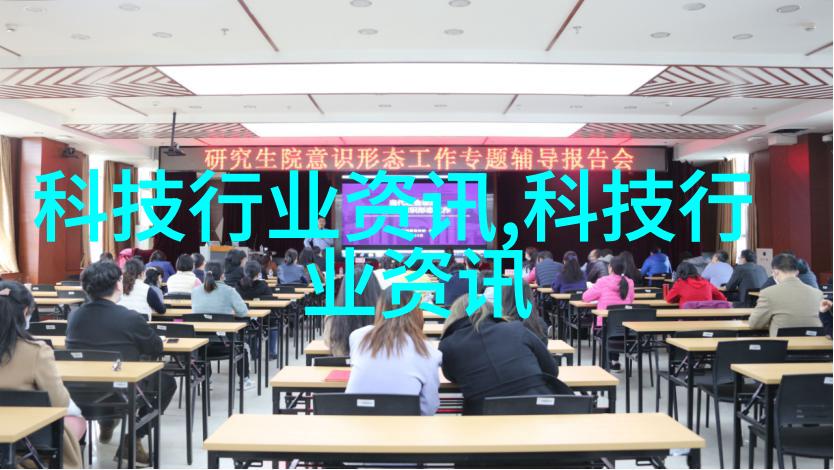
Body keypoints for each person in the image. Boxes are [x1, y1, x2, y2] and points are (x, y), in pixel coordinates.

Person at [66, 261, 174, 465]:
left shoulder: (74, 316)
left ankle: (107, 422)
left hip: (78, 394)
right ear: (118, 284)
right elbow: (155, 348)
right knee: (167, 383)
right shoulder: (130, 317)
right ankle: (134, 438)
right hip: (121, 393)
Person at [0, 281, 84, 468]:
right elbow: (59, 402)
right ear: (25, 312)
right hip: (28, 444)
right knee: (75, 420)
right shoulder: (36, 351)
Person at [440, 295, 570, 415]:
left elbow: (451, 375)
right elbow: (552, 369)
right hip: (537, 407)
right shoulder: (517, 329)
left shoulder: (448, 345)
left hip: (484, 414)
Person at [346, 289, 442, 416]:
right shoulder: (428, 351)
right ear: (417, 313)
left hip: (355, 421)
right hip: (404, 424)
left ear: (380, 308)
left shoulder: (358, 336)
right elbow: (429, 407)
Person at [191, 261, 253, 389]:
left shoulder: (195, 291)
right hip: (225, 344)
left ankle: (205, 379)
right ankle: (245, 380)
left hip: (200, 345)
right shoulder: (229, 291)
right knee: (243, 346)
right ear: (222, 275)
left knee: (205, 339)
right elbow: (243, 312)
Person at [748, 253, 823, 336]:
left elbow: (754, 324)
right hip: (814, 342)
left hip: (783, 343)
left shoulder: (768, 293)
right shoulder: (818, 294)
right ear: (797, 272)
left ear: (775, 272)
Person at [582, 255, 635, 370]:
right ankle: (614, 361)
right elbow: (631, 301)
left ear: (610, 268)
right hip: (626, 329)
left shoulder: (603, 281)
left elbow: (585, 297)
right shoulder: (630, 282)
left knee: (609, 326)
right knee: (616, 322)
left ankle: (609, 361)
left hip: (604, 328)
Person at [323, 267, 383, 356]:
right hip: (376, 363)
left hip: (344, 363)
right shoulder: (386, 318)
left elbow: (328, 343)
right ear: (375, 288)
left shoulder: (332, 318)